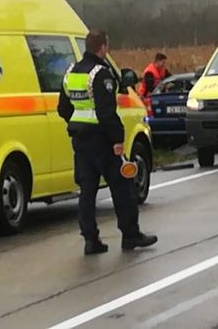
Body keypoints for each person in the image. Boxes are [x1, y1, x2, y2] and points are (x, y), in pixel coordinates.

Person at [58, 30, 157, 255]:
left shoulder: (71, 73)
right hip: (103, 141)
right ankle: (130, 235)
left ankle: (91, 240)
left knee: (87, 191)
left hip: (81, 141)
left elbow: (63, 108)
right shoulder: (100, 74)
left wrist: (77, 123)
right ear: (102, 47)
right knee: (122, 188)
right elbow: (106, 113)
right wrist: (117, 140)